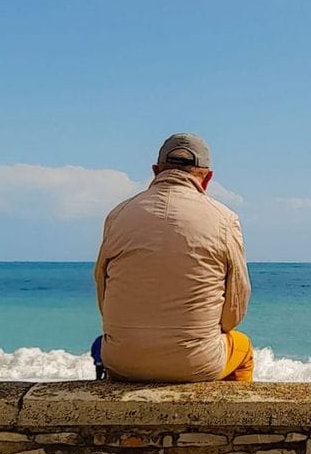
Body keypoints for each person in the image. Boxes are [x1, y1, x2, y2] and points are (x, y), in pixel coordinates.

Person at [94, 133, 253, 382]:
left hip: (122, 360)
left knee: (106, 344)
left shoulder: (118, 215)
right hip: (196, 362)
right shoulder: (224, 219)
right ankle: (232, 407)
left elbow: (104, 294)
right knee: (244, 349)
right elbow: (234, 310)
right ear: (207, 177)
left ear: (156, 171)